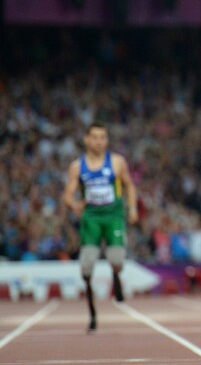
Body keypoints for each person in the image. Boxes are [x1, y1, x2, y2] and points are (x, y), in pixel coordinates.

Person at [63, 122, 138, 332]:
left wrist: (132, 209)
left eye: (103, 137)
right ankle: (92, 312)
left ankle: (116, 275)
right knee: (86, 270)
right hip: (91, 218)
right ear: (87, 140)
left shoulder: (116, 162)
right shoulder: (78, 166)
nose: (99, 141)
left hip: (113, 215)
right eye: (95, 137)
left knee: (116, 261)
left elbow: (129, 185)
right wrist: (73, 204)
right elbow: (68, 194)